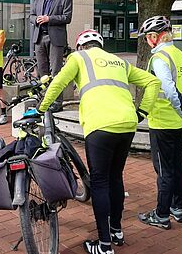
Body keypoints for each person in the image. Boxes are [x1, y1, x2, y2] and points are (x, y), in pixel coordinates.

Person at [37, 29, 160, 254]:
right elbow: (153, 82)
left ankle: (104, 245)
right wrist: (142, 112)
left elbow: (58, 84)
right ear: (99, 45)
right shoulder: (119, 62)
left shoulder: (78, 57)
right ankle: (117, 231)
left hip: (100, 125)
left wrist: (41, 108)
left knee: (100, 182)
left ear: (81, 46)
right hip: (127, 125)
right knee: (115, 178)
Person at [136, 15, 182, 230]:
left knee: (163, 170)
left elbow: (170, 90)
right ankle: (176, 208)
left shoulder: (160, 57)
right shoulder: (178, 54)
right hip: (180, 123)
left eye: (147, 37)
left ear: (155, 36)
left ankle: (161, 215)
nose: (146, 40)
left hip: (163, 121)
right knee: (178, 166)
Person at [29, 0, 73, 112]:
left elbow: (67, 17)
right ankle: (45, 99)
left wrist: (49, 18)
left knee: (56, 72)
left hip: (55, 39)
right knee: (43, 72)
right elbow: (31, 15)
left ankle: (57, 102)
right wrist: (36, 19)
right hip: (39, 38)